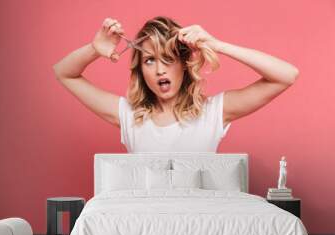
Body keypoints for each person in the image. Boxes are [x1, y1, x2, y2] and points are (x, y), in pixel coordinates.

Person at [53, 16, 299, 153]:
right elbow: (64, 73)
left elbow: (286, 75)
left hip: (198, 229)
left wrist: (217, 45)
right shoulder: (129, 116)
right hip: (148, 230)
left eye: (168, 59)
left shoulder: (213, 113)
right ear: (140, 69)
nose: (160, 69)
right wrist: (94, 50)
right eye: (149, 60)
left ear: (184, 64)